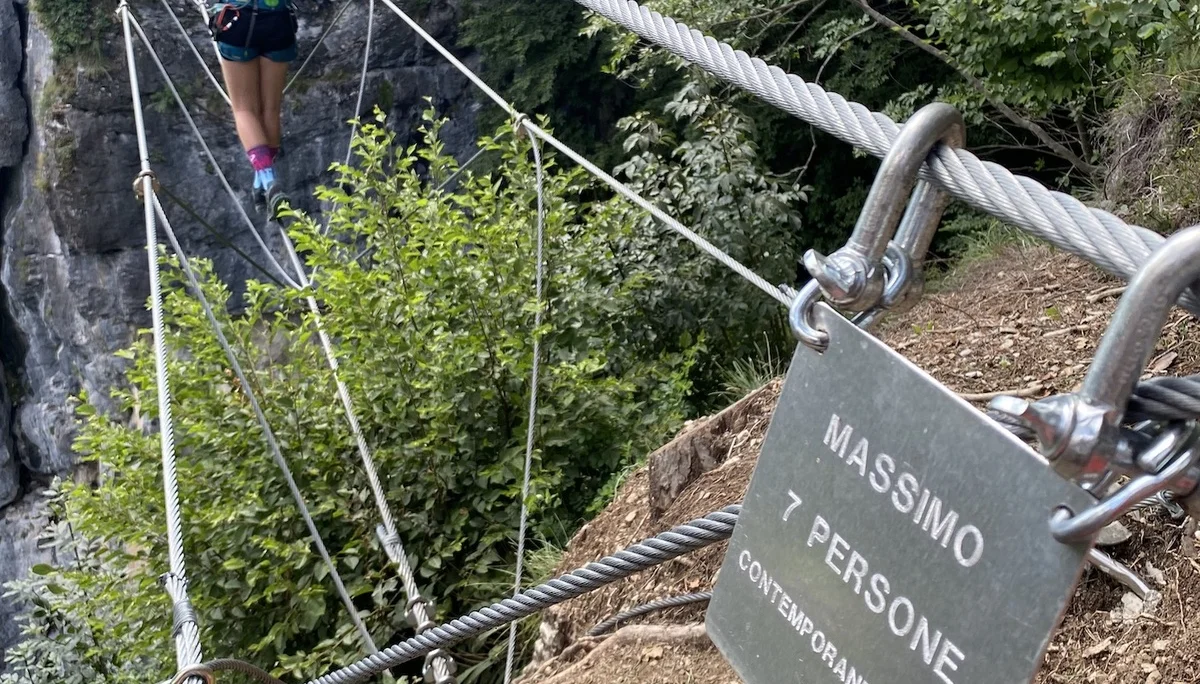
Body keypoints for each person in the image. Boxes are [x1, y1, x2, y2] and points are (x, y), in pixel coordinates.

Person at [208, 0, 297, 214]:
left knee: (244, 110)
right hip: (278, 20)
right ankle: (262, 184)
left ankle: (268, 179)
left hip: (239, 20)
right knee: (270, 109)